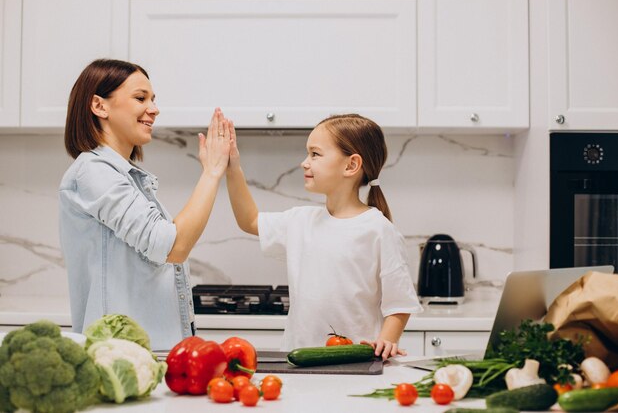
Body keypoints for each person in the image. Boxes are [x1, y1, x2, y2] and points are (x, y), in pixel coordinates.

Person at [59, 59, 231, 350]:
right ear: (99, 106)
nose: (154, 108)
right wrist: (212, 172)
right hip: (118, 354)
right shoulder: (93, 172)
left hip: (143, 351)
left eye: (153, 99)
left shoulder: (124, 177)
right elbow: (172, 247)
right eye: (141, 98)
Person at [225, 113, 422, 360]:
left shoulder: (379, 231)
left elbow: (400, 304)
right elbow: (250, 221)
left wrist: (387, 341)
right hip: (297, 361)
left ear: (351, 165)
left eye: (315, 154)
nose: (304, 163)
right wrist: (233, 168)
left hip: (356, 363)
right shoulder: (300, 221)